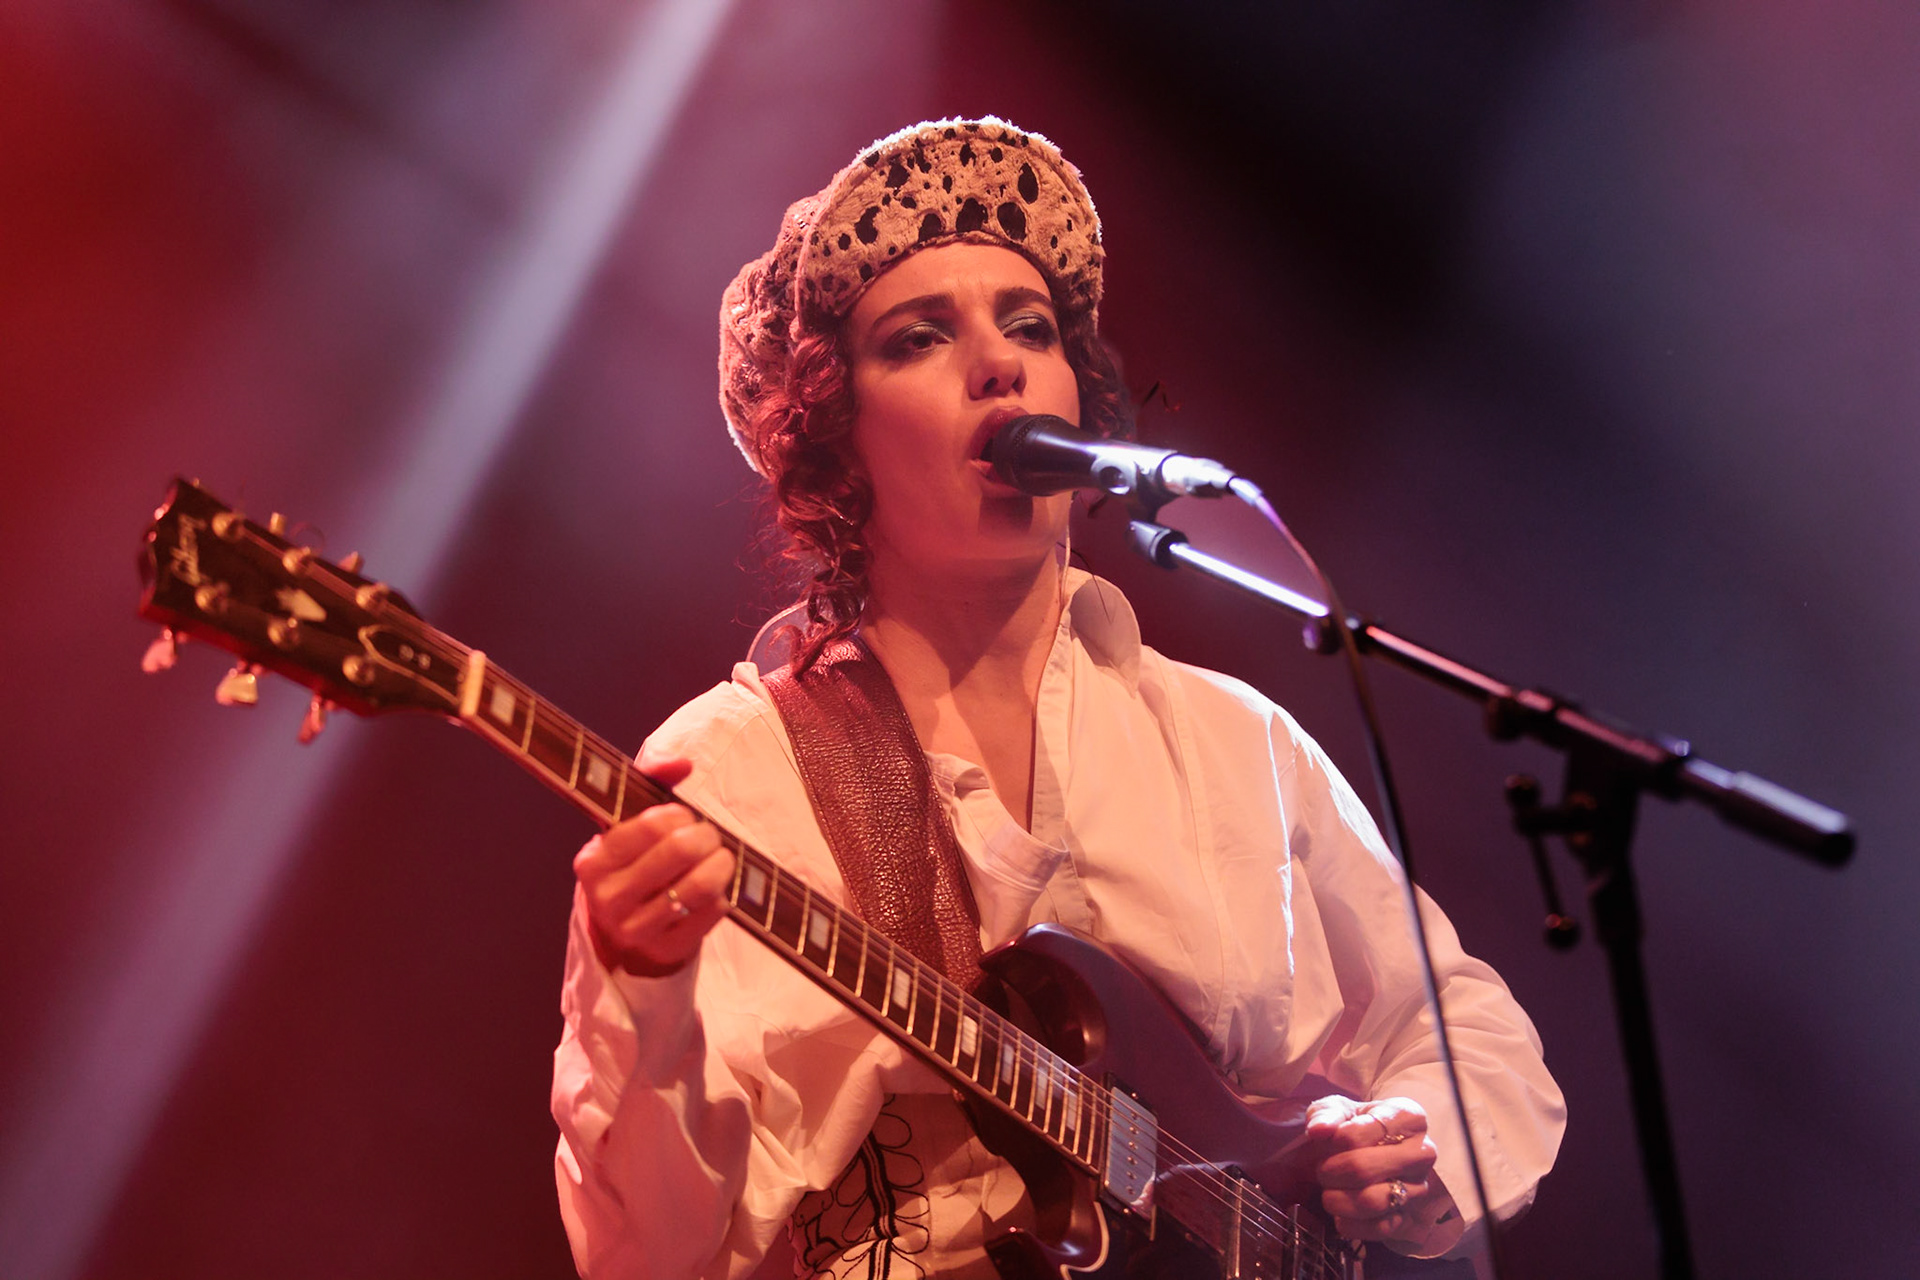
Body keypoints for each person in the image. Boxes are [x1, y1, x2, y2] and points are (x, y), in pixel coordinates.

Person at [551, 117, 1564, 1280]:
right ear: (837, 439)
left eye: (1030, 328)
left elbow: (1466, 1028)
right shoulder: (735, 772)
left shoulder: (1235, 742)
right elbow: (646, 1258)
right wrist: (649, 995)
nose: (1001, 363)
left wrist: (1421, 1154)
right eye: (921, 337)